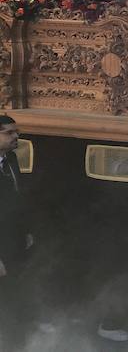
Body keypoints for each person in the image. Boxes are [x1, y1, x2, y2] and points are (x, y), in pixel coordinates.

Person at [0, 115, 32, 349]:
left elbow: (17, 197)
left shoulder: (10, 159)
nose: (16, 136)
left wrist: (26, 230)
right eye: (9, 133)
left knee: (15, 291)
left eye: (16, 131)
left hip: (13, 239)